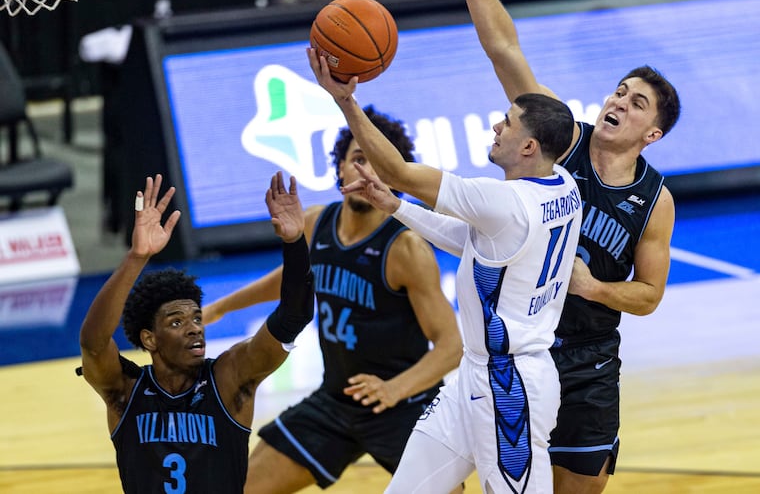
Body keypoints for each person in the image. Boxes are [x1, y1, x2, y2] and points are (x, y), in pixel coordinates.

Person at [309, 47, 583, 493]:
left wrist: (345, 101)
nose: (497, 126)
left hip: (509, 386)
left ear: (529, 147)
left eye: (508, 123)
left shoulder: (503, 203)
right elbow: (471, 243)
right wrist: (395, 206)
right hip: (475, 375)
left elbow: (397, 169)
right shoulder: (563, 186)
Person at [461, 0, 682, 492]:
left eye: (637, 103)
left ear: (652, 135)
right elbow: (504, 50)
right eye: (620, 91)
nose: (619, 102)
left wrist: (594, 288)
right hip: (519, 348)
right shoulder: (563, 137)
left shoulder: (655, 200)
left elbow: (649, 296)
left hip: (589, 361)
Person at [202, 106, 463, 494]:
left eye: (379, 163)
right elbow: (289, 281)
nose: (366, 172)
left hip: (404, 408)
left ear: (394, 175)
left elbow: (451, 346)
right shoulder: (316, 222)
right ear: (339, 167)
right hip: (336, 400)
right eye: (358, 159)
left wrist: (394, 389)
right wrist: (222, 307)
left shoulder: (406, 248)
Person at [78, 172, 314, 494]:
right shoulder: (125, 390)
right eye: (176, 322)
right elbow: (93, 343)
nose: (193, 329)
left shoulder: (230, 378)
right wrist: (137, 258)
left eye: (197, 319)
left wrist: (294, 242)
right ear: (150, 339)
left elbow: (294, 316)